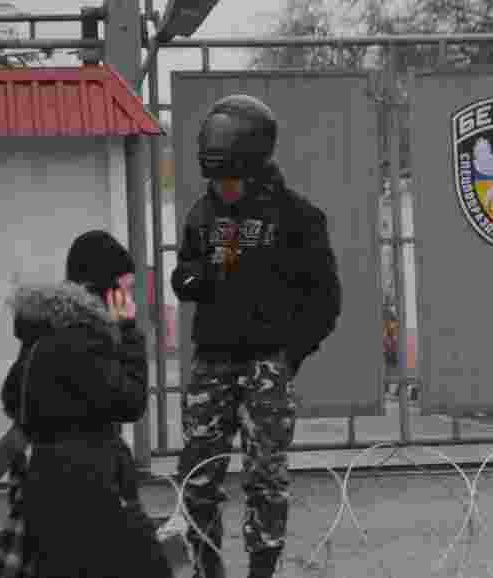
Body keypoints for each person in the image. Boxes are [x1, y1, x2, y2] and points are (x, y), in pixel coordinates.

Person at [171, 94, 342, 578]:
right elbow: (185, 274)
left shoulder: (296, 217)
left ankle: (261, 571)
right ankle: (207, 567)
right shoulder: (202, 215)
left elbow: (325, 299)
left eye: (230, 182)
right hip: (211, 363)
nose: (222, 190)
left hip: (266, 364)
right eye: (216, 183)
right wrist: (195, 278)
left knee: (265, 477)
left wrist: (288, 355)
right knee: (198, 477)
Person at [0, 230, 173, 578]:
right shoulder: (85, 334)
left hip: (45, 481)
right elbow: (130, 401)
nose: (128, 297)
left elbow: (11, 396)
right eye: (124, 287)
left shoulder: (43, 330)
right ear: (103, 288)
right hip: (93, 482)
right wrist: (128, 333)